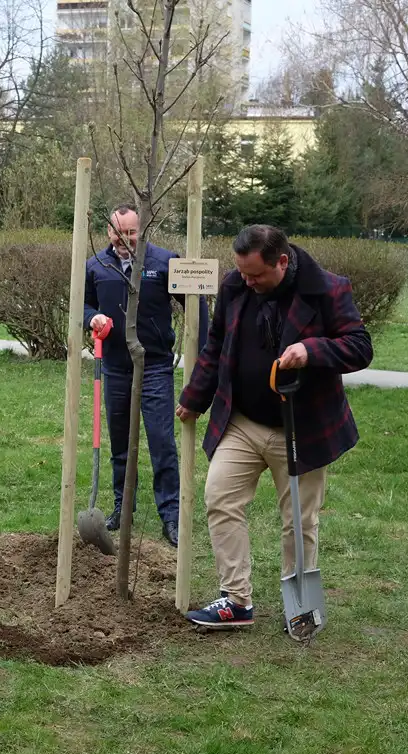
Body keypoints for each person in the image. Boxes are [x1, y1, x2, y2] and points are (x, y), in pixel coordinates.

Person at [178, 224, 373, 630]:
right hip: (244, 422)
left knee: (299, 522)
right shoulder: (236, 287)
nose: (247, 282)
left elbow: (360, 347)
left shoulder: (327, 290)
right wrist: (195, 398)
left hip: (301, 430)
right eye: (243, 274)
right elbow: (217, 345)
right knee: (219, 497)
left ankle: (301, 607)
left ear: (282, 261)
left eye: (256, 275)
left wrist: (311, 350)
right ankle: (237, 601)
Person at [83, 204, 210, 548]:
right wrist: (91, 317)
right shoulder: (96, 266)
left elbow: (195, 303)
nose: (124, 239)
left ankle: (170, 515)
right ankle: (122, 509)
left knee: (161, 442)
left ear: (142, 229)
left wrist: (206, 348)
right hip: (115, 367)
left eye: (132, 232)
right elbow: (83, 305)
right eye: (117, 232)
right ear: (108, 231)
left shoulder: (165, 262)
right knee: (121, 444)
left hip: (154, 366)